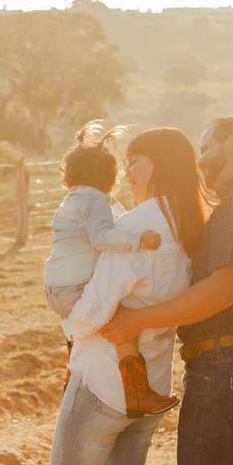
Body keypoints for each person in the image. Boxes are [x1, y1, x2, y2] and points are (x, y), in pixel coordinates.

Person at [100, 115, 233, 465]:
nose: (200, 161)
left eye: (206, 148)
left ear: (231, 144)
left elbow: (221, 291)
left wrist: (138, 320)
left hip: (223, 372)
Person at [50, 127, 205, 465]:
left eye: (135, 163)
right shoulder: (188, 225)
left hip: (103, 382)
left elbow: (98, 306)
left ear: (160, 165)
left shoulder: (138, 225)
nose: (127, 173)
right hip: (152, 379)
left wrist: (70, 326)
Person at [43, 120, 177, 416]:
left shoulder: (72, 200)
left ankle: (71, 373)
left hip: (55, 289)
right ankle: (137, 391)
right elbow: (101, 237)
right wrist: (138, 240)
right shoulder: (96, 200)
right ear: (109, 175)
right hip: (74, 287)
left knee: (86, 317)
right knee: (122, 320)